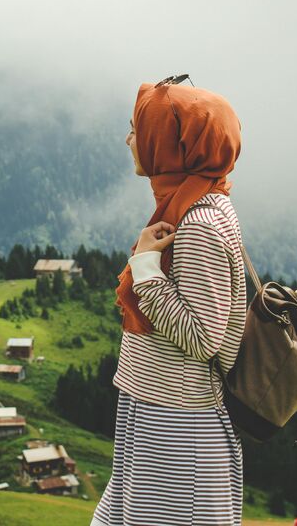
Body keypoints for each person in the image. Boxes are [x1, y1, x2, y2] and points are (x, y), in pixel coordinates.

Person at [91, 79, 245, 526]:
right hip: (156, 409)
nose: (129, 140)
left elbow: (204, 339)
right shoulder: (191, 205)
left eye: (138, 130)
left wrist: (144, 268)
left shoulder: (199, 224)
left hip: (178, 427)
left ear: (169, 144)